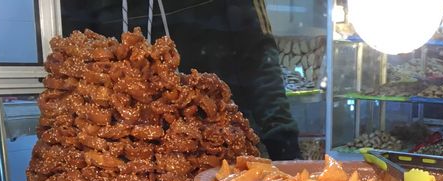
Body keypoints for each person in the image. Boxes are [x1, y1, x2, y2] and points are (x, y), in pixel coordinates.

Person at [62, 0, 302, 159]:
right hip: (120, 157)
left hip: (221, 150)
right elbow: (75, 67)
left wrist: (284, 145)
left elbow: (258, 59)